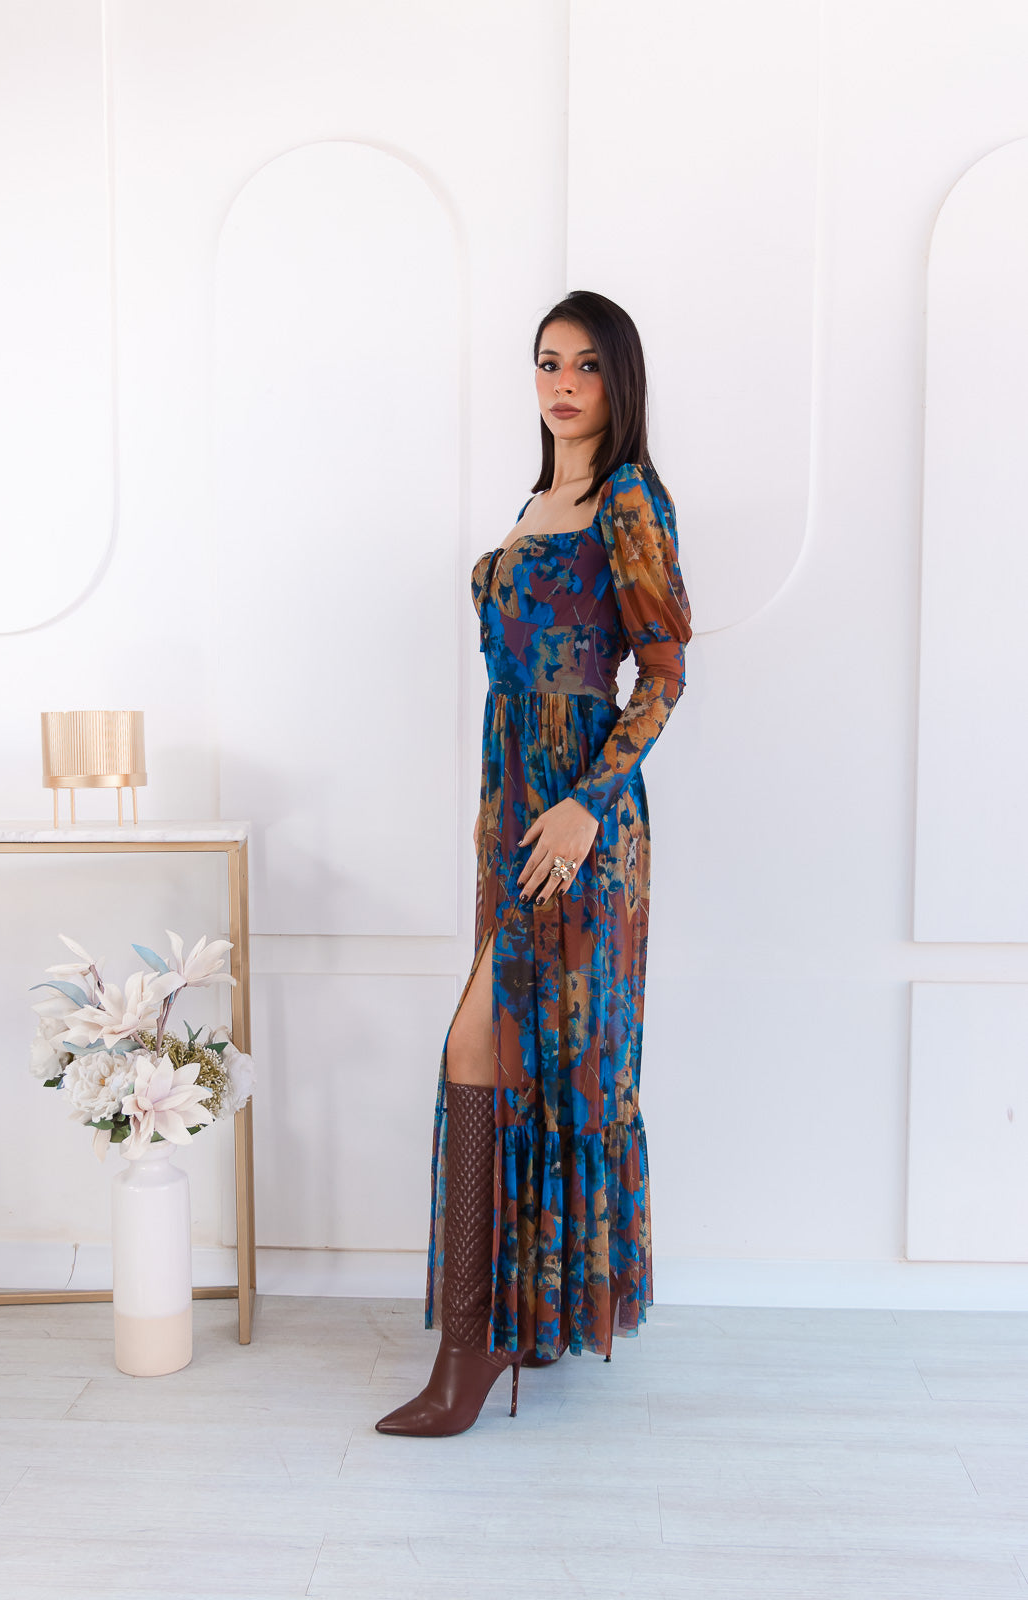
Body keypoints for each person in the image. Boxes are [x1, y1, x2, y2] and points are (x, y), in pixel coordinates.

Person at [375, 289, 693, 1437]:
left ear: (619, 380)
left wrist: (584, 808)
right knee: (514, 1057)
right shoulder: (534, 502)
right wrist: (508, 819)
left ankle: (466, 1356)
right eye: (547, 362)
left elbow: (662, 673)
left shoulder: (628, 501)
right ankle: (527, 1320)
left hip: (577, 829)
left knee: (489, 1047)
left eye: (586, 365)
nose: (562, 383)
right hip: (509, 815)